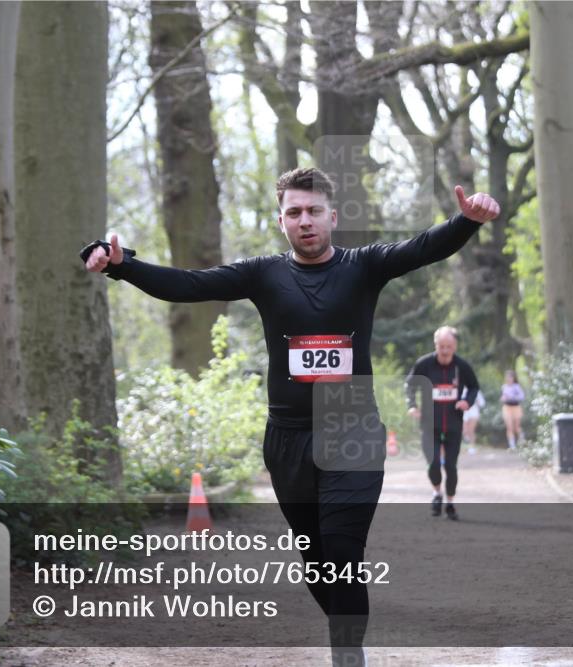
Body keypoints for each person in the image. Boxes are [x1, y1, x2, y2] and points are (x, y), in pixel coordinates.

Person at [83, 167, 500, 666]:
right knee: (317, 564)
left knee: (343, 558)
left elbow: (422, 247)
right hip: (287, 437)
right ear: (281, 220)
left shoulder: (364, 265)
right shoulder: (264, 274)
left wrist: (465, 222)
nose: (306, 221)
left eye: (314, 212)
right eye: (295, 213)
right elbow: (189, 285)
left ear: (333, 216)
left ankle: (348, 657)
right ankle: (345, 629)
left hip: (352, 427)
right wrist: (122, 264)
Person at [405, 326, 480, 521]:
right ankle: (437, 493)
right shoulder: (424, 364)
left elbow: (474, 387)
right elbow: (410, 385)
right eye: (441, 346)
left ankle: (451, 503)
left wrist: (467, 401)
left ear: (455, 346)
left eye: (448, 346)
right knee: (433, 464)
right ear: (435, 345)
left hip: (454, 424)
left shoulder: (461, 366)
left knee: (451, 467)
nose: (445, 351)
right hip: (429, 424)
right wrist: (412, 405)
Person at [501, 369, 525, 449]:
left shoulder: (516, 387)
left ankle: (522, 440)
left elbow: (521, 397)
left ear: (513, 378)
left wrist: (512, 397)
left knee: (516, 427)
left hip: (516, 408)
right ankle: (512, 445)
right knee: (509, 427)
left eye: (510, 377)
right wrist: (503, 398)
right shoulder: (504, 387)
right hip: (507, 408)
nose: (508, 379)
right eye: (507, 377)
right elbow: (503, 397)